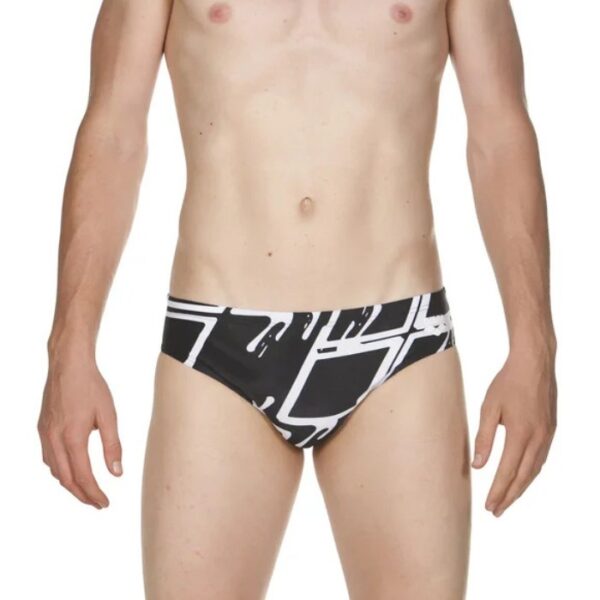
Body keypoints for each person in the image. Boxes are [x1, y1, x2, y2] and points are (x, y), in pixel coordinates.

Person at [37, 0, 557, 598]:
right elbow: (113, 132)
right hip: (218, 342)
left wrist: (534, 347)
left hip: (398, 340)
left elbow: (499, 133)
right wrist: (69, 349)